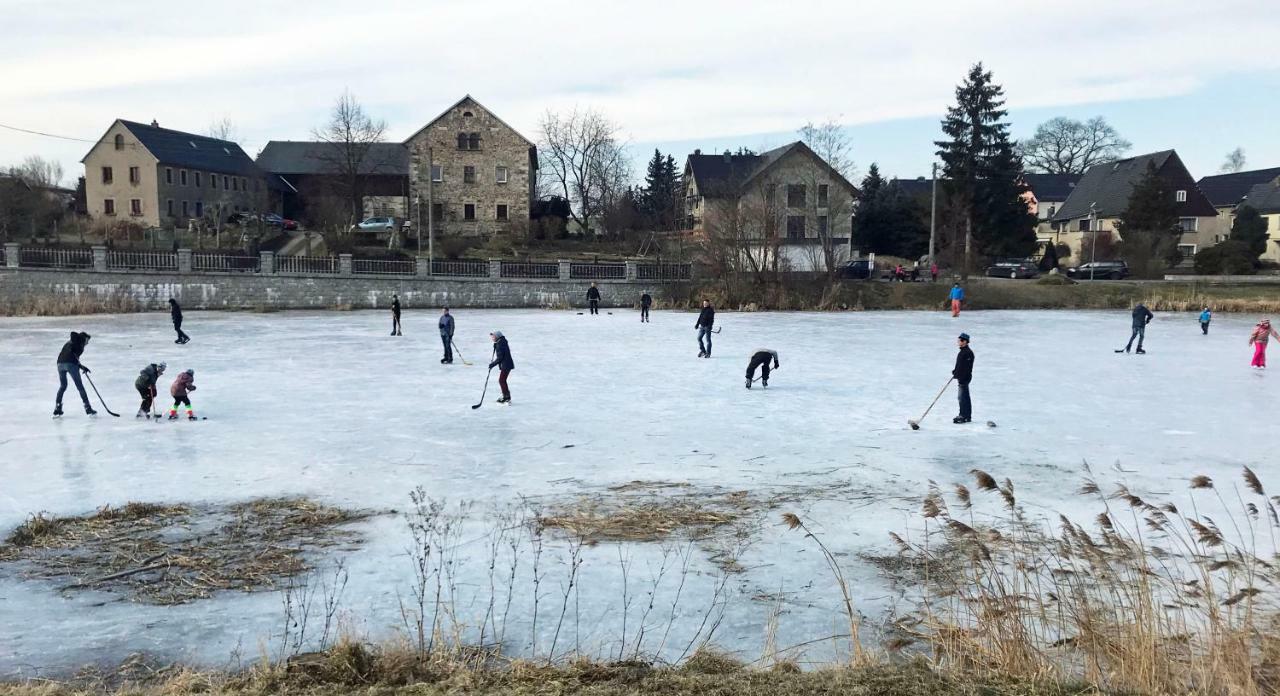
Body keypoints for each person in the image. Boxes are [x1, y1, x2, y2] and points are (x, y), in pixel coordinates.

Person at [54, 331, 95, 417]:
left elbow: (72, 357)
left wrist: (81, 367)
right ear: (84, 338)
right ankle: (88, 408)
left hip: (60, 364)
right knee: (80, 387)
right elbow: (73, 359)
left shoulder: (70, 342)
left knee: (63, 386)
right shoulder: (80, 345)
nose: (88, 342)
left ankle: (58, 407)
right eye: (87, 340)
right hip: (70, 365)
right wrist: (80, 366)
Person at [952, 333, 974, 424]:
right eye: (958, 340)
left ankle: (964, 415)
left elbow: (966, 368)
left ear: (965, 341)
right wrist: (955, 371)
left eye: (960, 340)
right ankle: (966, 415)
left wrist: (959, 374)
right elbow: (960, 365)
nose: (958, 342)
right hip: (961, 377)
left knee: (962, 397)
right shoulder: (962, 352)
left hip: (964, 378)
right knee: (963, 397)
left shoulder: (968, 353)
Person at [488, 331, 515, 404]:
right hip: (507, 364)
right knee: (502, 380)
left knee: (502, 380)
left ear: (497, 337)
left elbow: (500, 358)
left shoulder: (500, 344)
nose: (492, 338)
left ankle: (506, 397)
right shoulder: (502, 342)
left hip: (506, 365)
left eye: (493, 337)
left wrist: (492, 364)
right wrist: (496, 345)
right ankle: (506, 396)